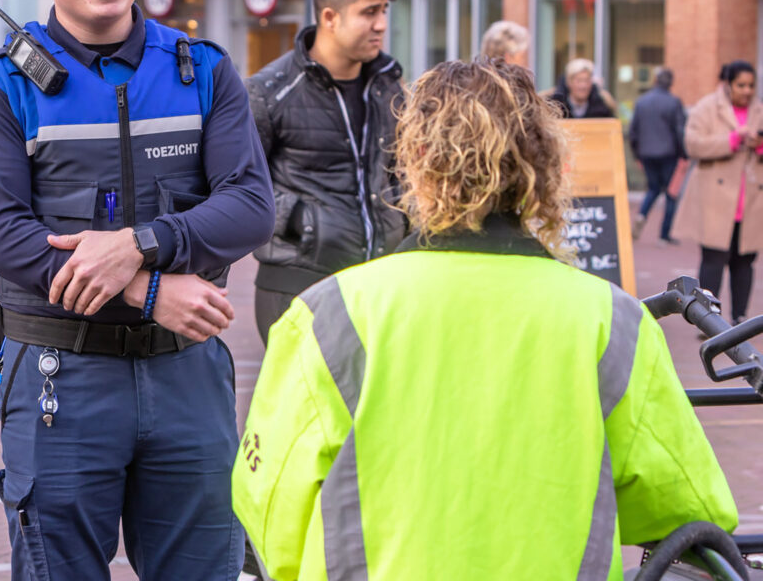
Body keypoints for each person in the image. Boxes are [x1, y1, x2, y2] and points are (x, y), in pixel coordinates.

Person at [233, 58, 737, 580]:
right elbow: (687, 507)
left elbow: (267, 504)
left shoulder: (329, 313)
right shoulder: (612, 320)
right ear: (542, 166)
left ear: (416, 159)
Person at [0, 0, 273, 580]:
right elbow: (4, 237)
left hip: (185, 373)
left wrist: (139, 247)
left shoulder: (203, 71)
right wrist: (151, 291)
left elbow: (251, 204)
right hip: (58, 376)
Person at [246, 0, 407, 343]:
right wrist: (302, 219)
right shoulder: (269, 92)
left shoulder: (388, 85)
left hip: (378, 280)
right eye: (369, 12)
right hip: (296, 284)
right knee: (305, 404)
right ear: (330, 18)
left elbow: (398, 173)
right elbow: (237, 185)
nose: (381, 25)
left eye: (384, 10)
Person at [673, 60, 763, 325]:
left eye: (750, 85)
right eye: (741, 85)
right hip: (716, 199)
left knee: (744, 260)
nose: (746, 91)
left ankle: (740, 319)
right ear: (728, 84)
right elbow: (692, 144)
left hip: (751, 200)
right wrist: (732, 140)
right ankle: (708, 319)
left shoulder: (759, 109)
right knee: (713, 259)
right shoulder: (706, 108)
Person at [630, 67, 686, 243]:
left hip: (647, 153)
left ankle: (642, 215)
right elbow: (679, 131)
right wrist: (683, 153)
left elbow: (633, 131)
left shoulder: (641, 101)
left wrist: (637, 153)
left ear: (655, 80)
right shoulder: (674, 102)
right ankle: (664, 234)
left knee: (653, 189)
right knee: (670, 193)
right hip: (668, 153)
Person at [550, 58, 616, 119]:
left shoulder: (602, 108)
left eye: (587, 80)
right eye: (579, 80)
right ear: (569, 82)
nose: (583, 86)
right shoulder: (556, 107)